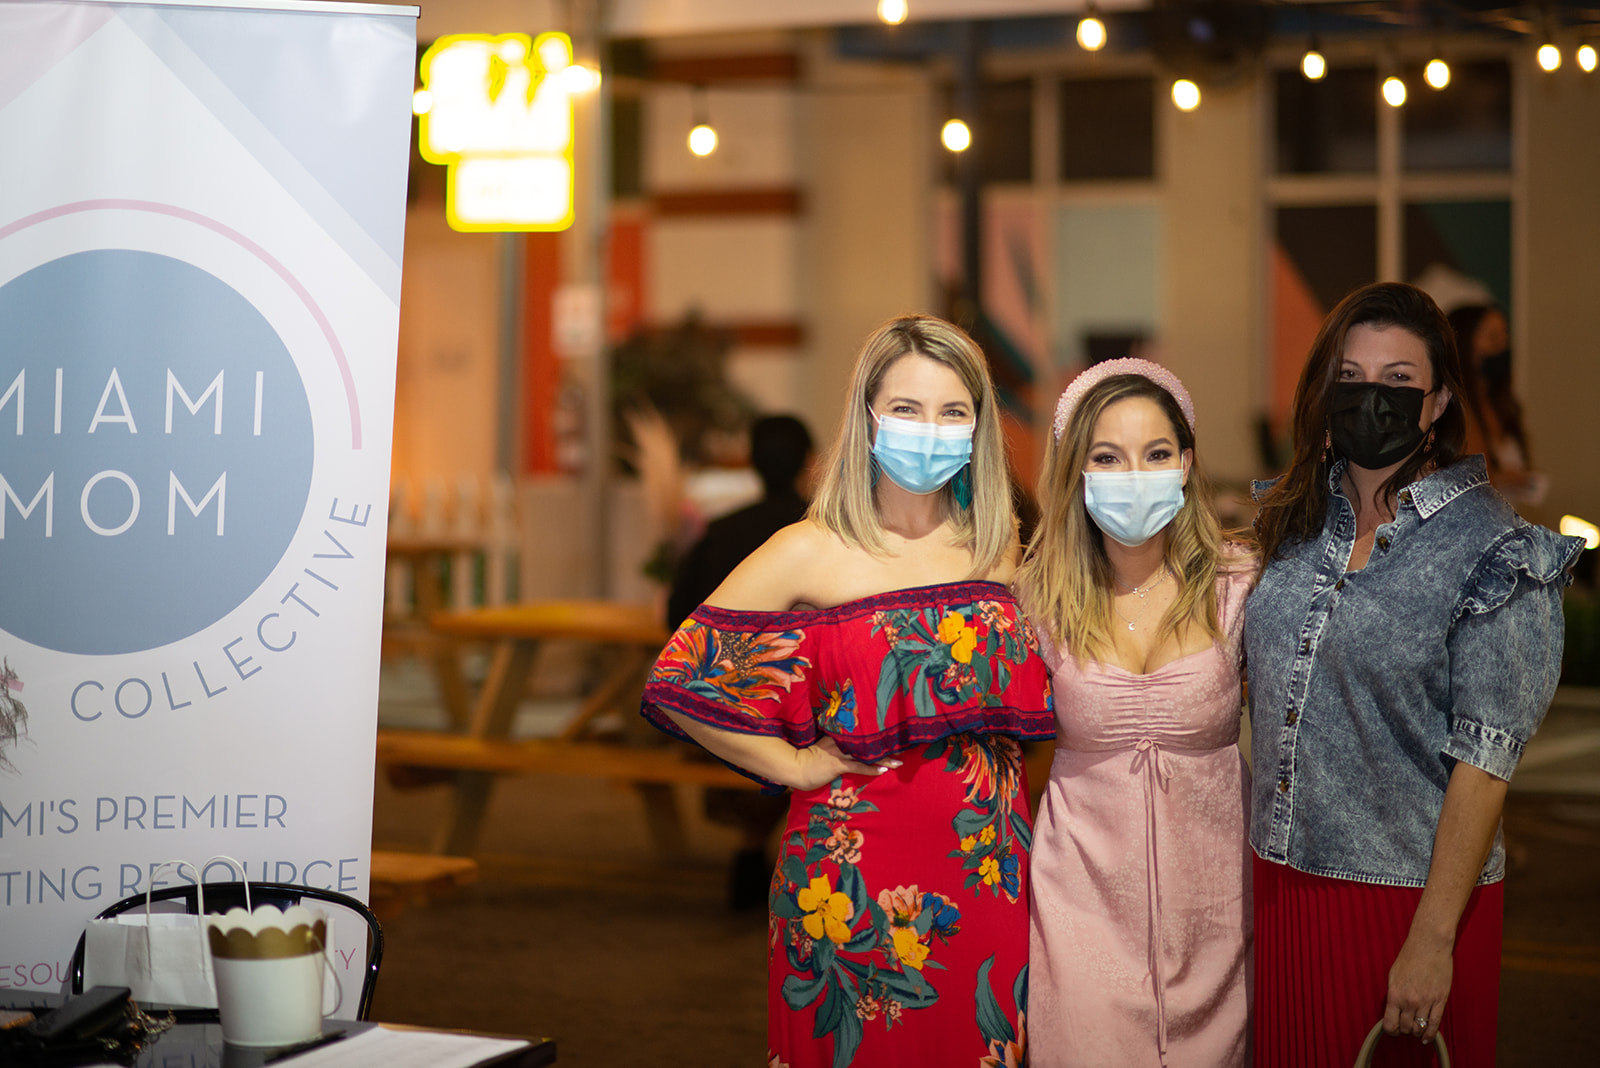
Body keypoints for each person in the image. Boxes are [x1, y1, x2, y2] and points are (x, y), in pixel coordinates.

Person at [640, 315, 1053, 1068]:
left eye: (953, 412)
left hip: (988, 873)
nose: (930, 430)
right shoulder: (809, 548)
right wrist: (791, 765)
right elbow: (678, 679)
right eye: (907, 409)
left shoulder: (997, 545)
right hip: (849, 881)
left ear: (979, 428)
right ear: (868, 417)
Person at [1247, 282, 1581, 1065]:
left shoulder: (1493, 549)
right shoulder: (1293, 525)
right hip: (1282, 887)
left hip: (1411, 903)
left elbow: (1485, 768)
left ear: (1437, 403)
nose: (1371, 397)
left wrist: (1432, 941)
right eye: (1351, 375)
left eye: (1399, 380)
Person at [1015, 359, 1254, 1067]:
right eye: (1108, 457)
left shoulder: (1239, 586)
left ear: (1186, 463)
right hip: (1079, 905)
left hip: (1221, 911)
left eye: (1155, 454)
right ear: (1077, 472)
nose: (1134, 474)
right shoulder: (1038, 600)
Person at [665, 414, 815, 910]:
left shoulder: (723, 530)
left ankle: (750, 848)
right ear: (809, 461)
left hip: (727, 705)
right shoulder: (820, 534)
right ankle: (764, 853)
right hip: (806, 708)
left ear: (751, 461)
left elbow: (677, 617)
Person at [1445, 303, 1546, 505]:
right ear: (1464, 343)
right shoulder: (1457, 409)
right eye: (1493, 338)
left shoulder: (1501, 405)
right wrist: (1503, 479)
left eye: (1504, 337)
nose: (1502, 347)